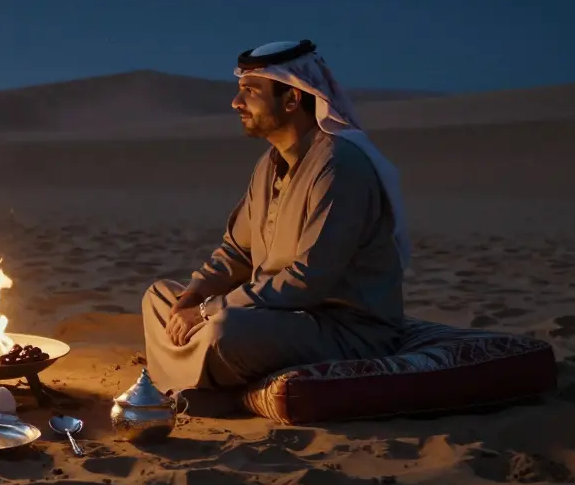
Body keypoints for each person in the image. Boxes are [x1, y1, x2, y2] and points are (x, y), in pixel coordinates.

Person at [141, 40, 409, 413]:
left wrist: (208, 311)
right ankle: (200, 381)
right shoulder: (269, 164)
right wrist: (192, 297)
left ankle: (207, 389)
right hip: (275, 314)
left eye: (250, 92)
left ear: (291, 99)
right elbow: (236, 252)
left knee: (225, 331)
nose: (236, 103)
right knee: (159, 299)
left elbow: (307, 280)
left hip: (340, 328)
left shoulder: (339, 167)